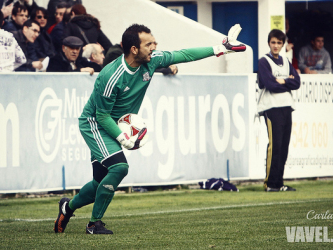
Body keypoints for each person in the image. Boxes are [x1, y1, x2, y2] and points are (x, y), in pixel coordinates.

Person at [53, 23, 246, 235]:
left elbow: (183, 55)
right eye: (149, 44)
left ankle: (67, 207)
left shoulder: (151, 60)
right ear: (134, 49)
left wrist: (220, 48)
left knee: (100, 182)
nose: (154, 46)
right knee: (119, 168)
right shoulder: (110, 75)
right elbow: (101, 115)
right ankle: (93, 224)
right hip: (95, 124)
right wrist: (123, 137)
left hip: (113, 123)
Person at [257, 29, 301, 192]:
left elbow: (296, 82)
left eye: (279, 43)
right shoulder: (264, 62)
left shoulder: (286, 61)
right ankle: (270, 183)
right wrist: (285, 82)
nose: (276, 46)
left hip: (286, 106)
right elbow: (270, 85)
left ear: (283, 45)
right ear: (269, 43)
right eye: (273, 42)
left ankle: (279, 182)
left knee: (284, 146)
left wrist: (281, 80)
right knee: (274, 145)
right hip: (271, 107)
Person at [103, 42, 178, 75]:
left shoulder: (150, 55)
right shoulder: (116, 53)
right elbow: (143, 69)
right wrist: (167, 69)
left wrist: (171, 67)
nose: (153, 47)